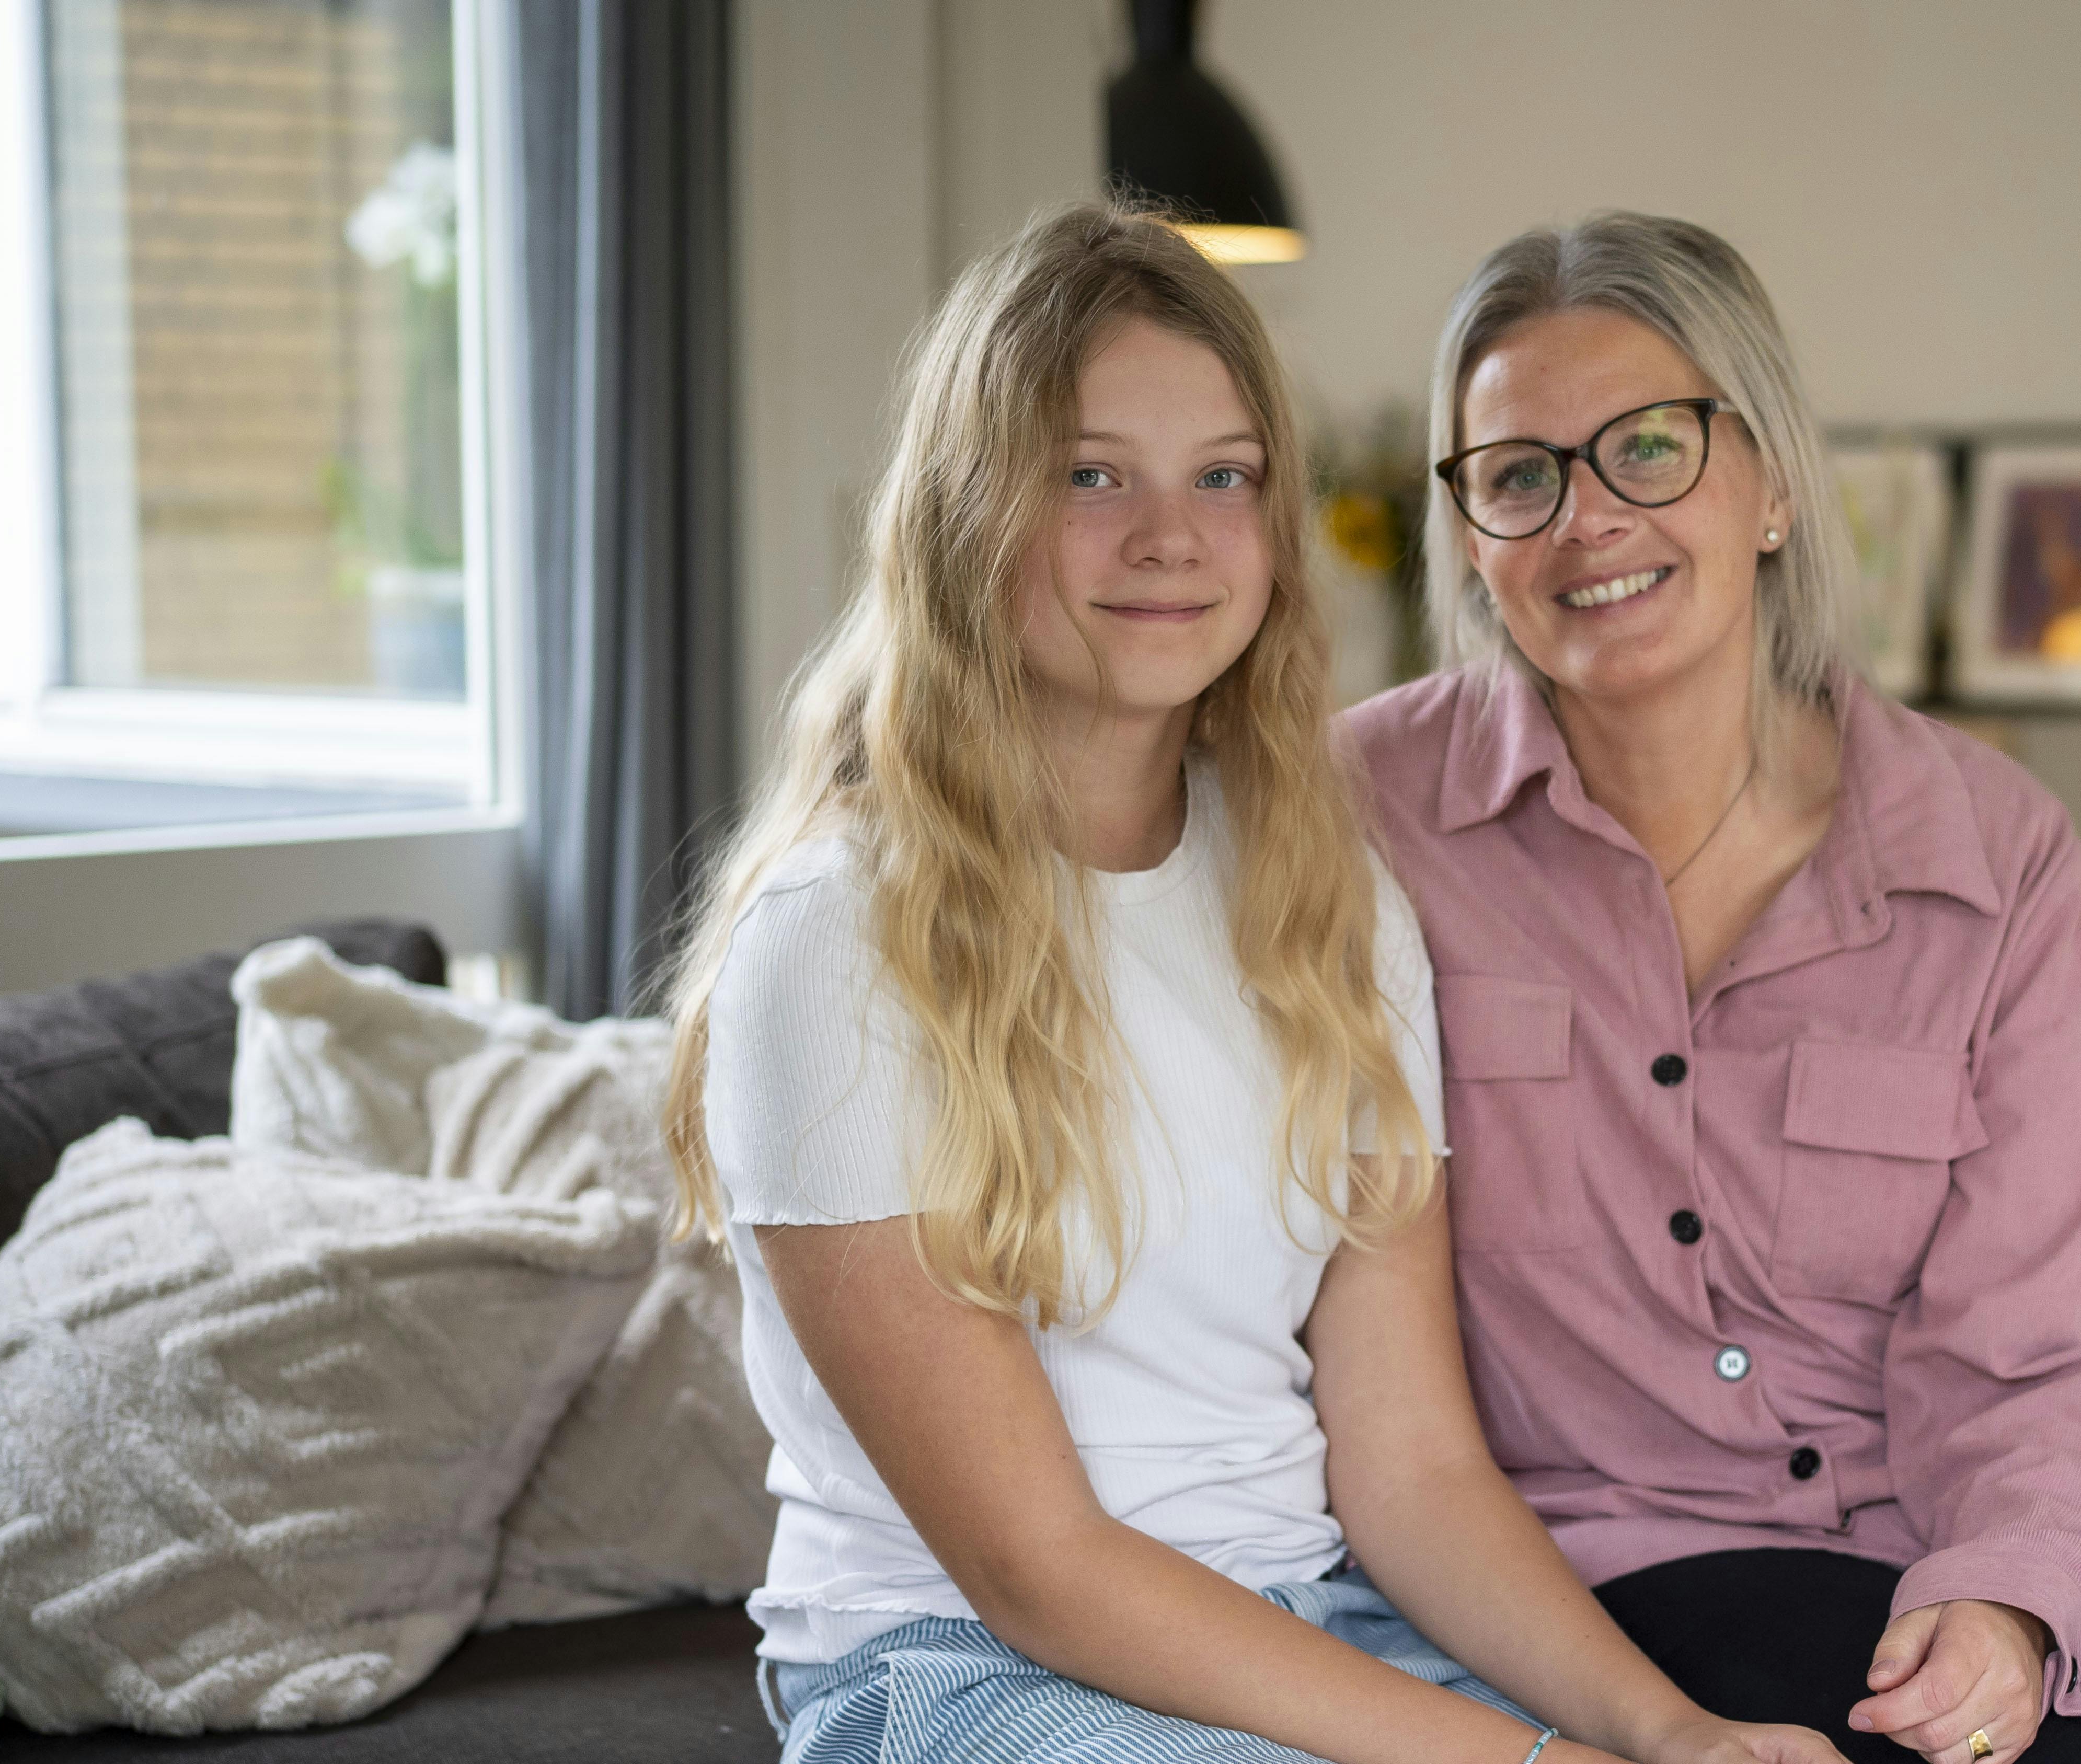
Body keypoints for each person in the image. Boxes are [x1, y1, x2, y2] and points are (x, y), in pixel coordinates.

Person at [656, 203, 1839, 1764]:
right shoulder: (840, 941)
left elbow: (1412, 1468)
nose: (1171, 537)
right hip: (962, 1663)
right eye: (1090, 477)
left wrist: (1673, 1736)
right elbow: (1039, 1569)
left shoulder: (1324, 898)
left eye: (1224, 476)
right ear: (962, 515)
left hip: (1314, 1611)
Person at [1336, 213, 2081, 1764]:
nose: (1589, 516)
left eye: (1649, 447)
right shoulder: (1358, 813)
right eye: (1522, 473)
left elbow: (2043, 1339)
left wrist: (2007, 1592)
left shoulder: (1991, 854)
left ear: (1773, 483)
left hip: (1986, 1490)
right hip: (1637, 1538)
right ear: (1469, 531)